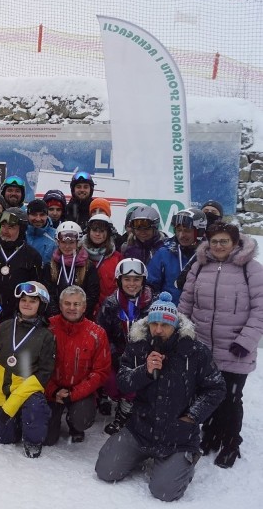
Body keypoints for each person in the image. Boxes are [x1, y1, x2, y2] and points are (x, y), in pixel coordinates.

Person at [95, 293, 226, 501]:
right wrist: (145, 372)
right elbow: (123, 381)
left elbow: (216, 388)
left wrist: (193, 415)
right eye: (154, 323)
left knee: (164, 492)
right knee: (105, 471)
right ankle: (145, 455)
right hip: (140, 428)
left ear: (175, 325)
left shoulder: (196, 351)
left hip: (178, 434)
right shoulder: (138, 345)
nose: (158, 329)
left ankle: (184, 460)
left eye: (165, 324)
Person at [178, 222, 263, 468]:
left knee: (231, 398)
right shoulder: (199, 265)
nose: (218, 246)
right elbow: (186, 302)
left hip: (235, 346)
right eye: (214, 241)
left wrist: (246, 340)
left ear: (235, 243)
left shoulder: (251, 269)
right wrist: (182, 332)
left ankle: (231, 443)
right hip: (203, 345)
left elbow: (260, 309)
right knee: (208, 394)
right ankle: (212, 435)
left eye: (224, 241)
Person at [0, 281, 56, 458]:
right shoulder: (6, 326)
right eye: (23, 299)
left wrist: (11, 406)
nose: (27, 304)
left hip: (27, 390)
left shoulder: (46, 336)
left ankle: (33, 439)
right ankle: (17, 421)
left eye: (33, 301)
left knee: (34, 406)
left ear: (41, 305)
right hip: (3, 389)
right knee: (2, 437)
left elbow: (43, 375)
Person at [44, 286, 110, 445]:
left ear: (84, 307)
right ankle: (53, 417)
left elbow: (100, 372)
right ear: (60, 306)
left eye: (76, 304)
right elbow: (39, 365)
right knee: (47, 439)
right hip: (51, 389)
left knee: (82, 418)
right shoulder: (48, 328)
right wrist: (54, 391)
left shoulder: (97, 333)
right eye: (67, 303)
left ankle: (74, 422)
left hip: (79, 391)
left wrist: (74, 394)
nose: (71, 308)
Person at [97, 258, 153, 435]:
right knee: (110, 381)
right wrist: (115, 355)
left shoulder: (153, 304)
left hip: (143, 357)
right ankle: (107, 397)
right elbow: (102, 334)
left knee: (136, 380)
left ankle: (126, 411)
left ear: (143, 281)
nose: (131, 284)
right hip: (117, 355)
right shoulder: (110, 304)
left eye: (136, 279)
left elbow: (161, 334)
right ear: (119, 280)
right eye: (127, 279)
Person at [0, 207, 42, 319]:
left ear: (21, 230)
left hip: (16, 315)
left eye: (11, 227)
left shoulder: (32, 256)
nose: (5, 231)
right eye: (3, 226)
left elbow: (35, 290)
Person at [41, 221, 100, 318]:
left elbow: (92, 295)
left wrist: (78, 316)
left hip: (80, 318)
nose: (67, 246)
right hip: (57, 319)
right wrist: (58, 316)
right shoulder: (50, 266)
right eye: (63, 242)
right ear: (58, 242)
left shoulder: (88, 267)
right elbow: (48, 294)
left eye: (71, 242)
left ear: (78, 242)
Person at [147, 208, 206, 304]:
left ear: (199, 231)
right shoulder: (165, 252)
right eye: (178, 230)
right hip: (169, 313)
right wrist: (159, 304)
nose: (181, 235)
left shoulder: (210, 255)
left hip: (198, 313)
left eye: (187, 230)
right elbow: (150, 285)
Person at [81, 213, 123, 312]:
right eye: (94, 230)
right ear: (88, 231)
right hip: (83, 310)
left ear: (108, 233)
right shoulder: (79, 255)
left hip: (108, 309)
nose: (97, 234)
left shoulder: (117, 257)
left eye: (102, 231)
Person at [25, 199, 56, 265]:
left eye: (42, 215)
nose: (38, 219)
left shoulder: (55, 236)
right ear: (27, 215)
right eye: (34, 214)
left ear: (47, 216)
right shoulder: (20, 233)